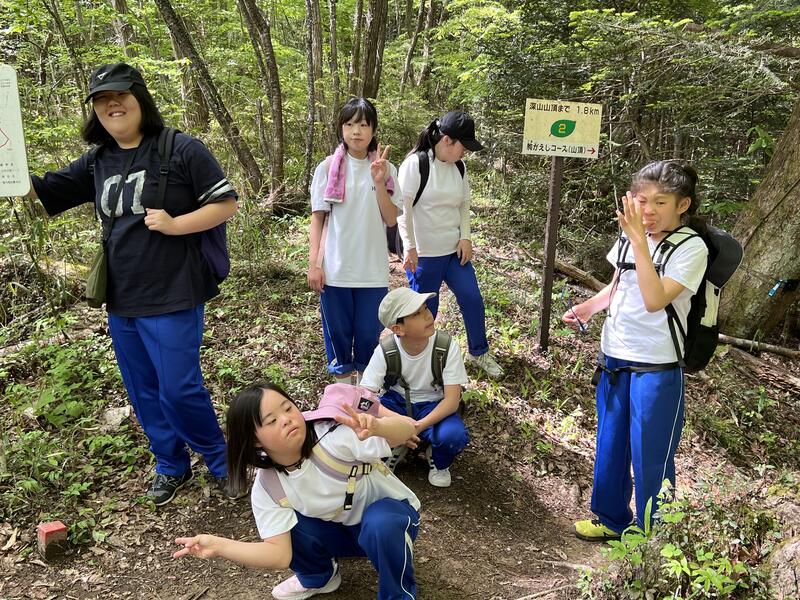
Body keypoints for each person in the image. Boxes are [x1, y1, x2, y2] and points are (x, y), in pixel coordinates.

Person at [26, 62, 239, 505]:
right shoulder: (97, 160)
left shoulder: (180, 148)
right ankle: (171, 464)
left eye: (120, 96)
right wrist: (8, 171)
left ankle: (221, 461)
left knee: (179, 388)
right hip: (122, 297)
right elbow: (42, 190)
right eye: (102, 100)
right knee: (143, 390)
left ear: (139, 98)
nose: (112, 105)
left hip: (174, 291)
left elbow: (225, 203)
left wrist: (176, 224)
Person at [562, 161, 708, 541]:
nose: (649, 210)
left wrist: (641, 242)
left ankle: (652, 535)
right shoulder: (632, 237)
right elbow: (619, 284)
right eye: (642, 201)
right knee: (611, 443)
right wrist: (589, 307)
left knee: (651, 455)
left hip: (657, 365)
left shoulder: (691, 248)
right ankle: (610, 519)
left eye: (661, 202)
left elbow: (654, 299)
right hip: (614, 356)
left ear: (682, 205)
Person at [174, 381, 421, 600]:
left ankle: (397, 594)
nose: (286, 419)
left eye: (288, 408)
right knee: (287, 525)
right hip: (345, 533)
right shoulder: (269, 486)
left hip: (392, 521)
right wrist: (219, 546)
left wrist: (379, 427)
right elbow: (278, 554)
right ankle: (319, 577)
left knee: (381, 523)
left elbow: (407, 430)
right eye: (271, 421)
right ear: (256, 440)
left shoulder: (332, 438)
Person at [397, 111, 503, 379]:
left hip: (454, 252)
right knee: (424, 313)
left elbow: (464, 205)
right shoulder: (416, 164)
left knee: (472, 298)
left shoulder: (459, 167)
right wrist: (409, 247)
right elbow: (403, 210)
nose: (465, 152)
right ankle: (417, 361)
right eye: (463, 146)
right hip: (424, 254)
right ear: (447, 140)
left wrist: (465, 237)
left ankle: (478, 352)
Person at [307, 98, 401, 386]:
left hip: (372, 271)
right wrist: (314, 265)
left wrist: (380, 182)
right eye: (349, 124)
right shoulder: (328, 168)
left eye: (362, 124)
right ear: (341, 128)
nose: (355, 131)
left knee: (368, 335)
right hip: (335, 269)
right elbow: (318, 218)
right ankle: (342, 395)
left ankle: (364, 393)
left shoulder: (387, 169)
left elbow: (390, 219)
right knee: (337, 336)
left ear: (374, 130)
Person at [361, 287, 469, 488]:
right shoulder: (386, 350)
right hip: (396, 404)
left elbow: (452, 400)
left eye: (426, 308)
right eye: (417, 314)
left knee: (452, 436)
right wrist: (398, 422)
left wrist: (416, 426)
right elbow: (364, 398)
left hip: (434, 405)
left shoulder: (445, 347)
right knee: (368, 424)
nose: (428, 315)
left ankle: (438, 459)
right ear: (398, 329)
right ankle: (393, 448)